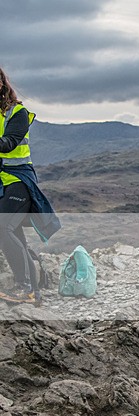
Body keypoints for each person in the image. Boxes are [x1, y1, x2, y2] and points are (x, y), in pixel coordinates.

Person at [0, 67, 60, 305]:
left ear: (2, 84)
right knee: (13, 234)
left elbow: (8, 143)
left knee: (3, 227)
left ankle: (25, 286)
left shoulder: (18, 113)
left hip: (19, 181)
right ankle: (32, 291)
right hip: (3, 184)